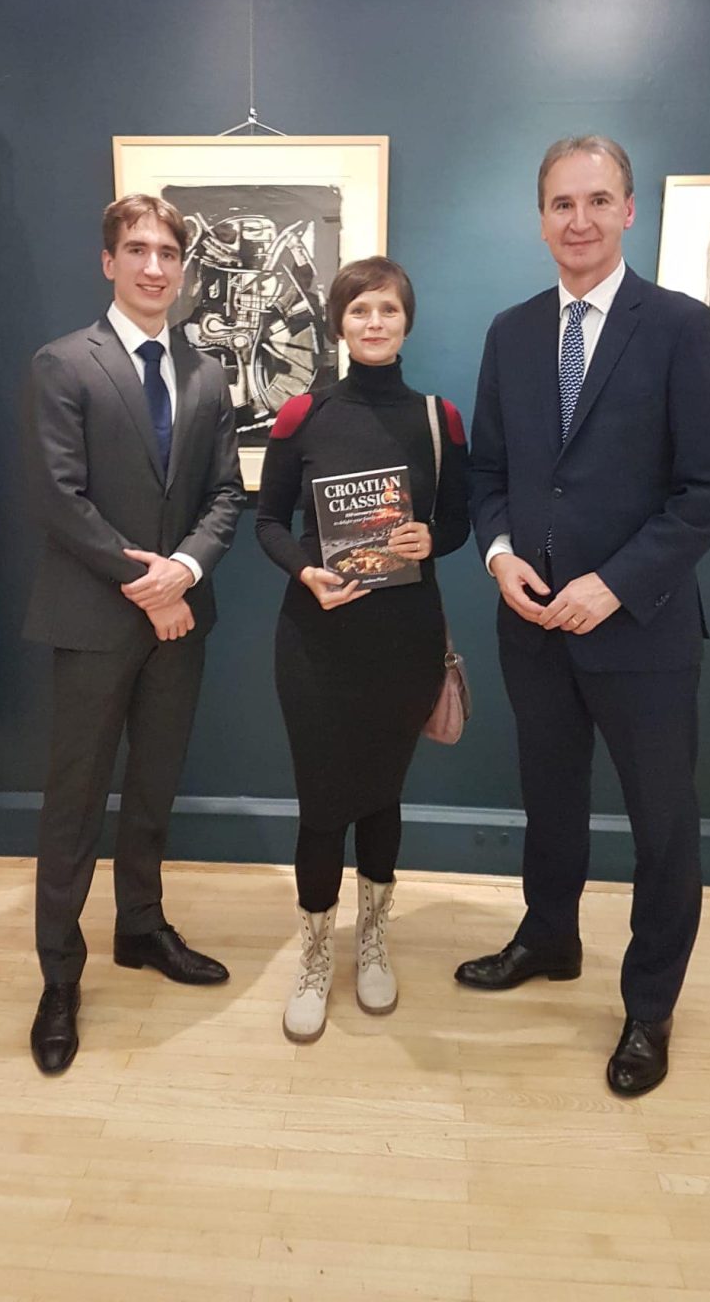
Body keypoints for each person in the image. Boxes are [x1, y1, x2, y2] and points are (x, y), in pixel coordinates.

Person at [457, 136, 710, 1096]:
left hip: (641, 629)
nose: (577, 220)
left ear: (627, 211)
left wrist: (612, 584)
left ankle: (650, 1006)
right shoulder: (510, 332)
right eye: (560, 204)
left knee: (663, 825)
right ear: (540, 218)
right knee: (550, 799)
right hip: (532, 624)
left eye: (596, 200)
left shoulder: (682, 327)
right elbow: (489, 473)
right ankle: (550, 937)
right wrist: (499, 555)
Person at [25, 193, 245, 1074]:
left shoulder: (207, 374)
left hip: (179, 621)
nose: (155, 266)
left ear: (182, 268)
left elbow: (224, 496)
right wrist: (148, 589)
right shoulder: (62, 363)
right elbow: (60, 500)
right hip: (94, 620)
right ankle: (59, 976)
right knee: (75, 802)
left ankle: (141, 928)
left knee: (154, 787)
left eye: (168, 253)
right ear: (108, 261)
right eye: (138, 250)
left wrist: (182, 571)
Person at [256, 256, 469, 1043]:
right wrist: (305, 570)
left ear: (406, 321)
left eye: (387, 310)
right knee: (322, 802)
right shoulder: (302, 414)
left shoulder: (440, 418)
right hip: (316, 638)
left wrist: (431, 537)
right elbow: (268, 522)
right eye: (358, 311)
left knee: (382, 795)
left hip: (404, 639)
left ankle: (373, 940)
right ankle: (316, 955)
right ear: (338, 323)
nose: (373, 323)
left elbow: (461, 520)